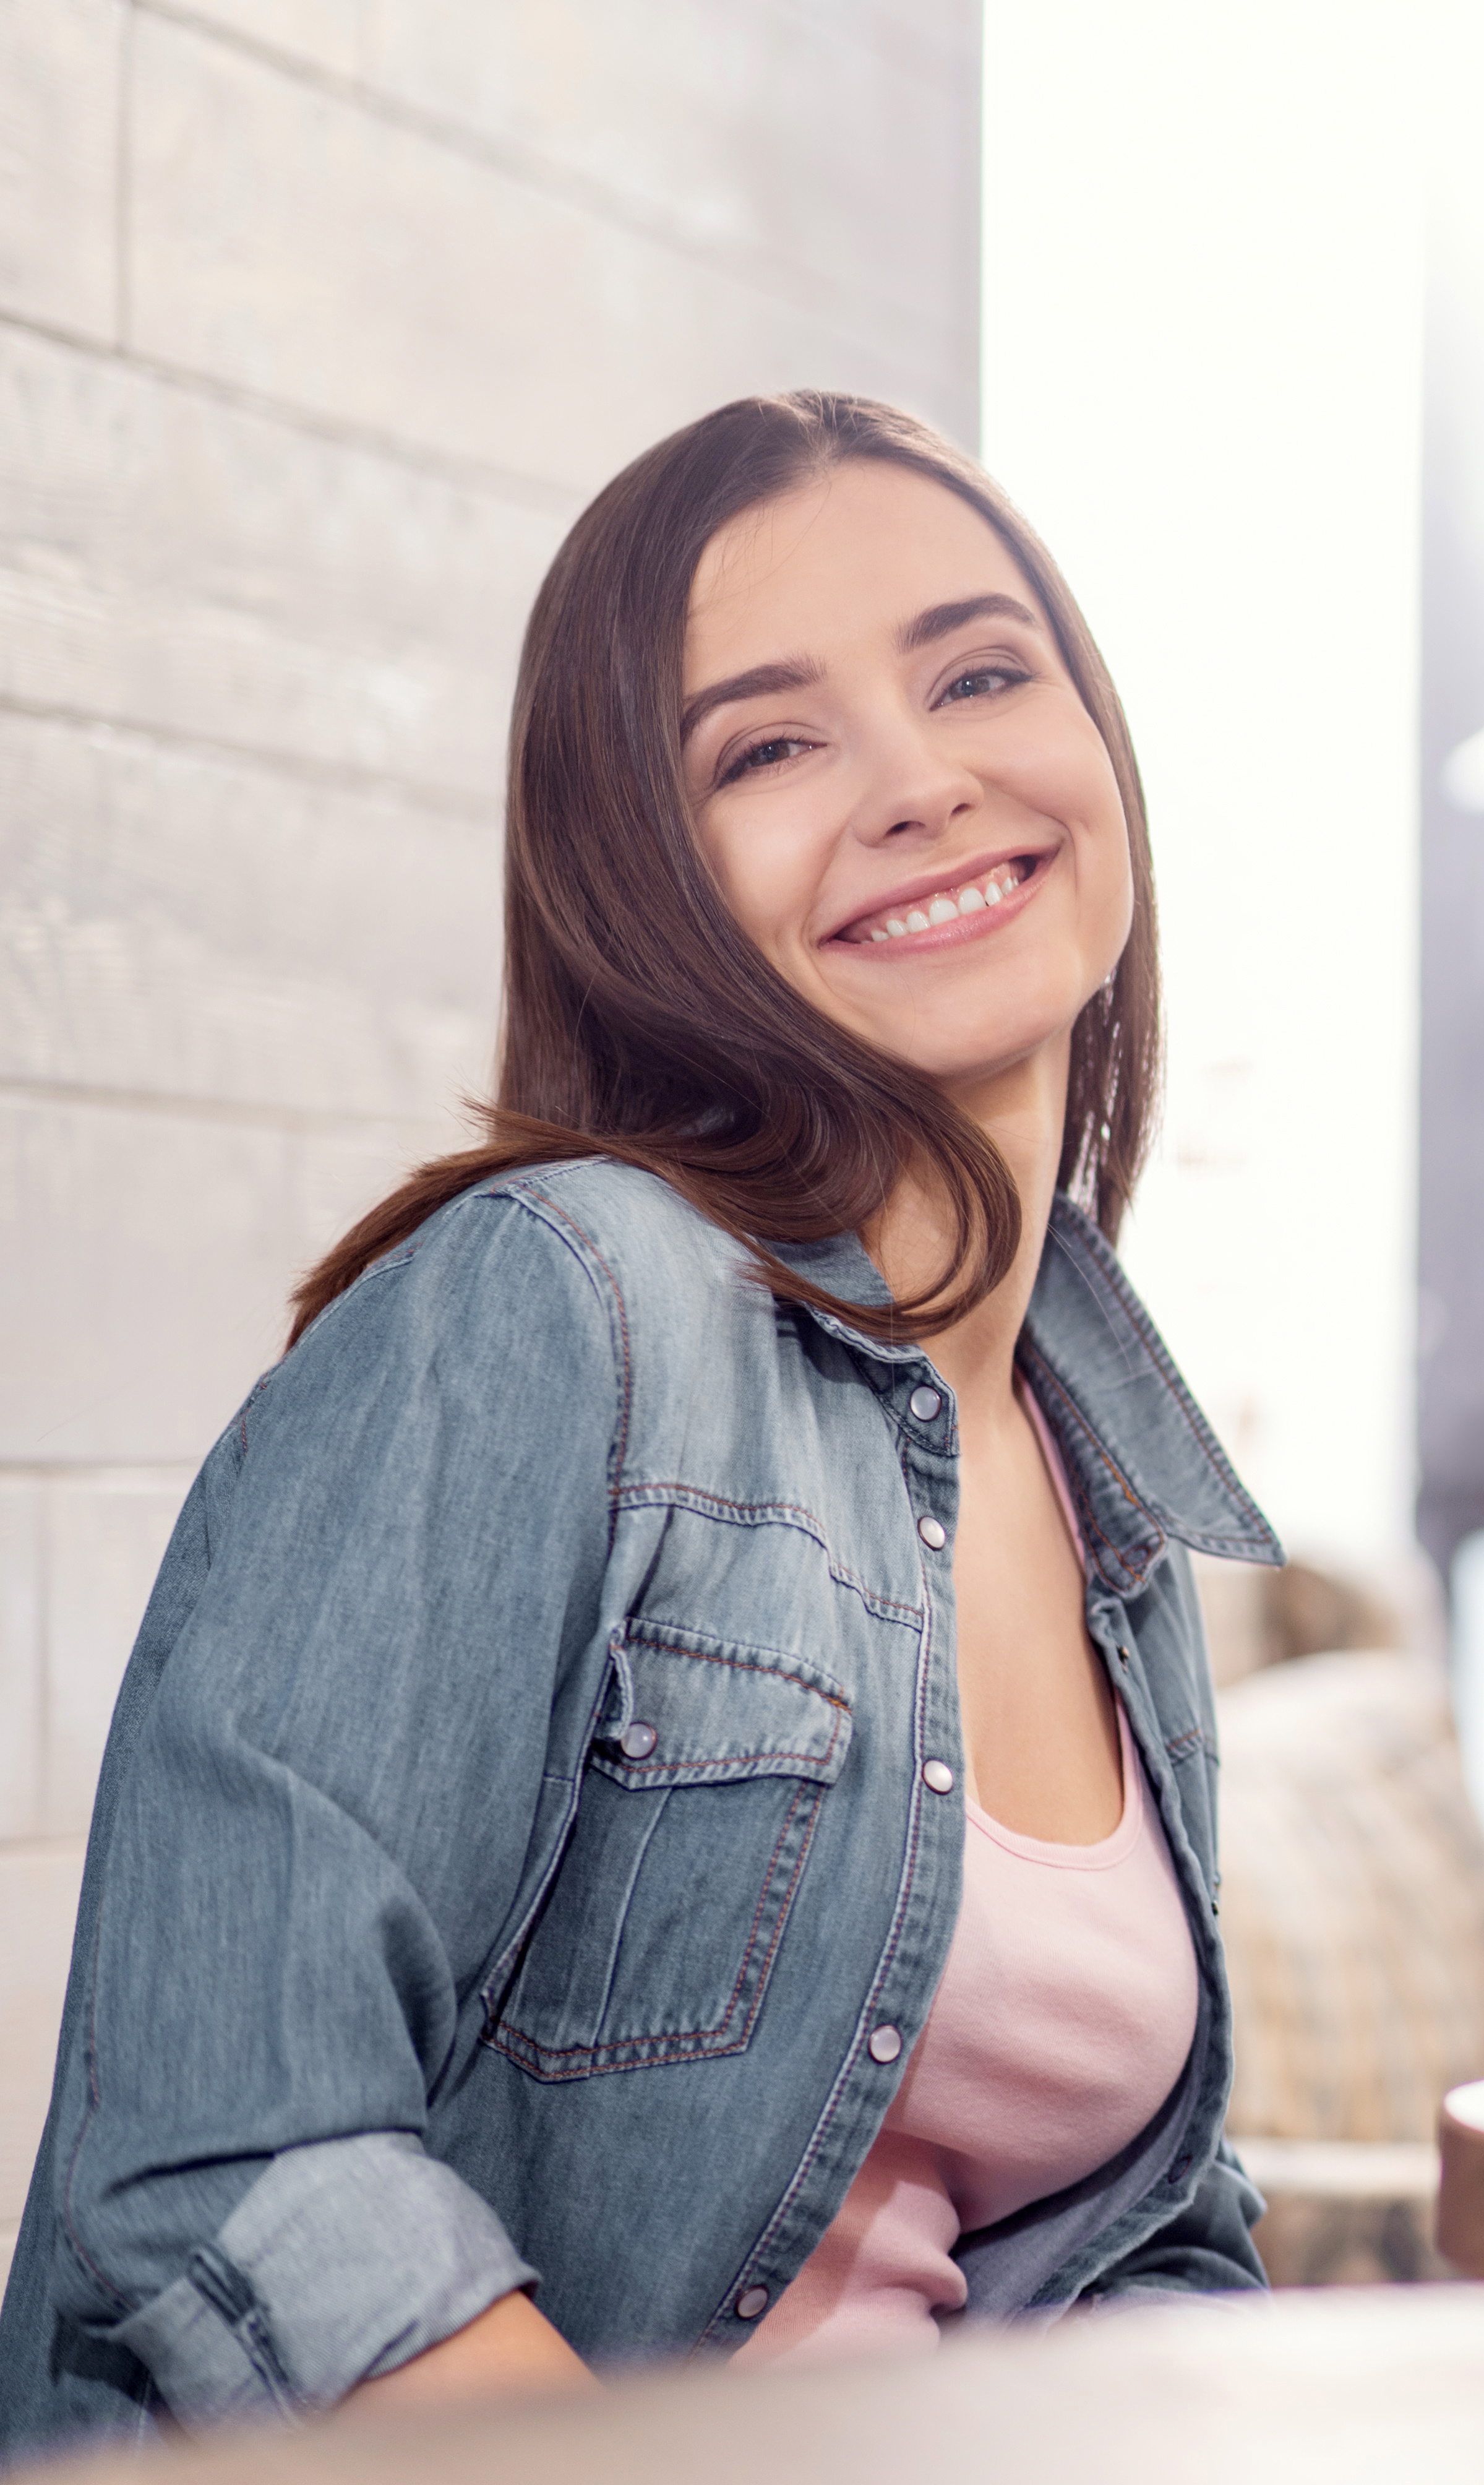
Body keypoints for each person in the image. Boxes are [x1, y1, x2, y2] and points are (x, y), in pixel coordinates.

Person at [1, 394, 1277, 2452]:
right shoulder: (563, 1304)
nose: (925, 781)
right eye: (771, 747)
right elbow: (232, 2156)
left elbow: (1141, 2236)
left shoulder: (1099, 1471)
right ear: (636, 876)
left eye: (980, 672)